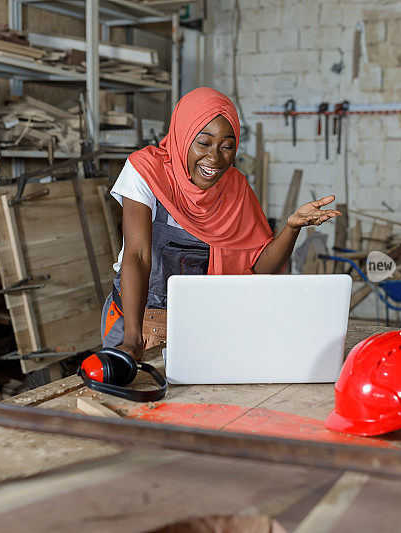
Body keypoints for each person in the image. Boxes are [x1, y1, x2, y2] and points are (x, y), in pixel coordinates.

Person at [100, 87, 341, 360]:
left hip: (199, 328)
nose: (215, 159)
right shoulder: (146, 170)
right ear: (183, 136)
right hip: (135, 321)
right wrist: (133, 339)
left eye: (227, 147)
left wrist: (292, 228)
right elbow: (139, 255)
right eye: (203, 143)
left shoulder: (235, 188)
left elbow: (260, 267)